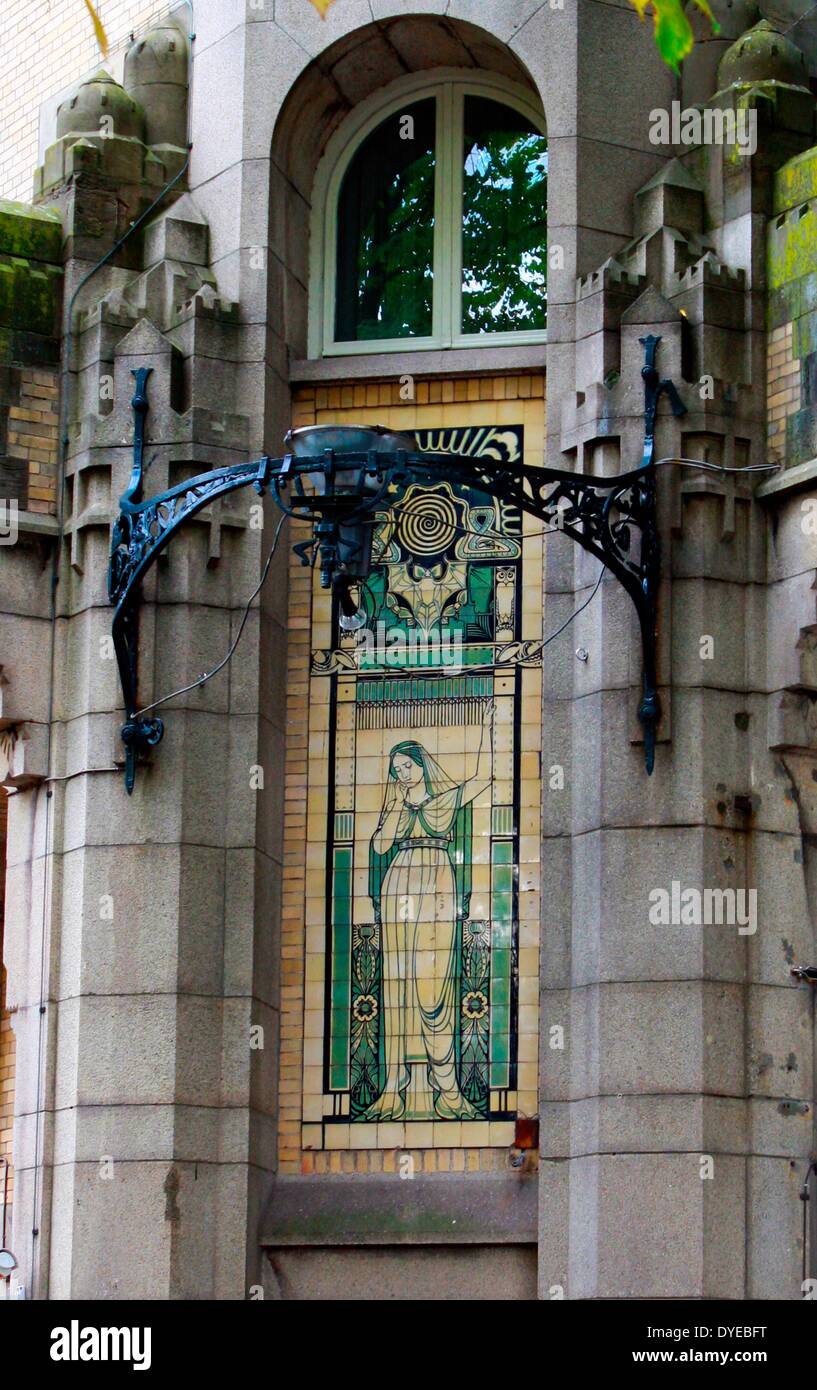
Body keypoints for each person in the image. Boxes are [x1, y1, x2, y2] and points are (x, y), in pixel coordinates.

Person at [365, 700, 494, 1121]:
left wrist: (488, 731)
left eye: (405, 766)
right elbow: (381, 847)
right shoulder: (396, 806)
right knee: (396, 983)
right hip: (399, 885)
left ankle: (448, 1089)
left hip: (438, 883)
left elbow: (483, 778)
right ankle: (391, 1088)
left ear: (421, 765)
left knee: (435, 983)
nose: (400, 774)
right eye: (395, 770)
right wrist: (394, 808)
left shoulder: (445, 801)